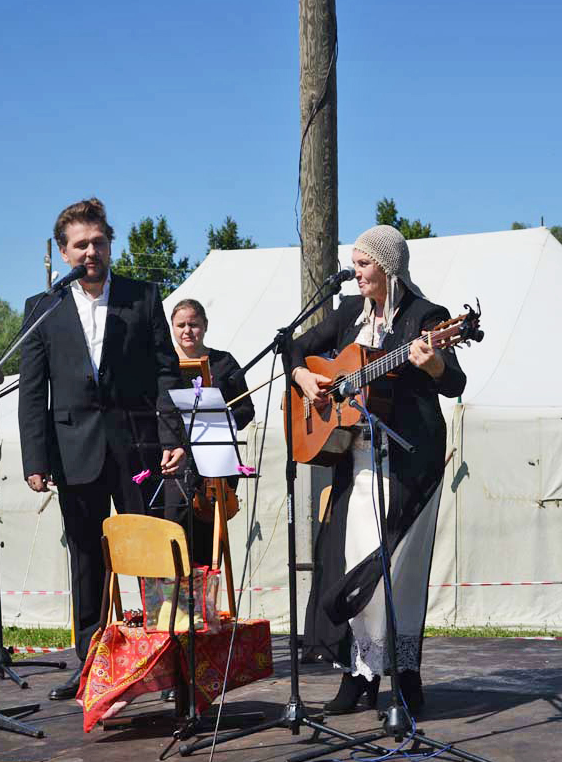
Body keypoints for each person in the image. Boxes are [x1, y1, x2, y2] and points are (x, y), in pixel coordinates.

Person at [291, 225, 466, 715]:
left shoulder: (424, 317)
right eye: (356, 262)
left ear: (389, 267)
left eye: (365, 263)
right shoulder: (349, 312)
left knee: (402, 574)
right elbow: (294, 347)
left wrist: (432, 365)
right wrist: (306, 377)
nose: (357, 272)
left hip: (411, 463)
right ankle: (362, 674)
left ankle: (405, 674)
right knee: (358, 568)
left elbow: (454, 381)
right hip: (358, 460)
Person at [19, 197, 186, 702]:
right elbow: (32, 390)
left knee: (152, 555)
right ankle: (91, 663)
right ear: (64, 252)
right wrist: (36, 459)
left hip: (139, 449)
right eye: (80, 244)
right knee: (87, 559)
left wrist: (172, 436)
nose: (91, 251)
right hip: (74, 453)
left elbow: (166, 372)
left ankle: (165, 659)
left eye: (99, 241)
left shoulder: (142, 296)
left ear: (110, 243)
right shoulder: (42, 308)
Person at [167, 299, 255, 563]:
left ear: (204, 326)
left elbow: (246, 410)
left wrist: (222, 416)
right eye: (181, 325)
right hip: (175, 462)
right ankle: (174, 602)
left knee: (209, 538)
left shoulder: (224, 362)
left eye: (193, 324)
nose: (187, 331)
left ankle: (207, 601)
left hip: (215, 463)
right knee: (173, 531)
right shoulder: (164, 365)